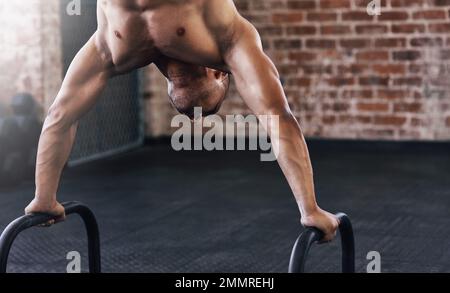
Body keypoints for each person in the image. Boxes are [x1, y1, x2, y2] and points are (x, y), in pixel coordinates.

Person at [25, 0, 339, 242]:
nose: (192, 112)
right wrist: (309, 209)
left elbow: (60, 116)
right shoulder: (229, 38)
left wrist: (44, 197)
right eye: (203, 105)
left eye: (187, 112)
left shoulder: (112, 47)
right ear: (220, 73)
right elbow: (278, 116)